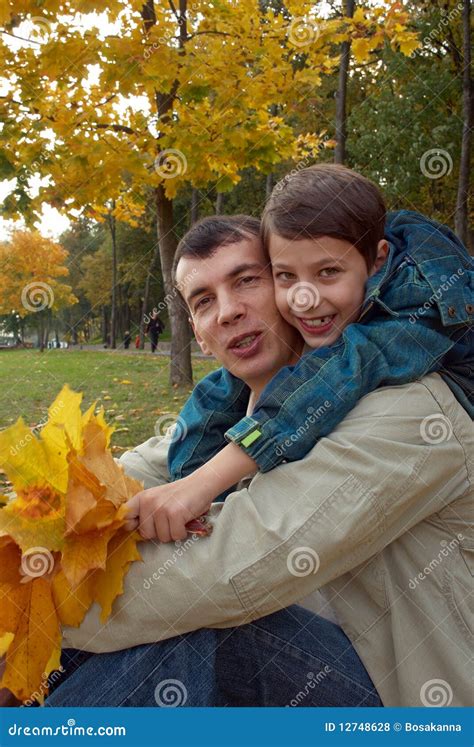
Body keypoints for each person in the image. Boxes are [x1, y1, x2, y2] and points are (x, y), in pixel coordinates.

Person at [45, 214, 472, 708]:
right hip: (304, 679)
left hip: (414, 707)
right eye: (204, 301)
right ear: (200, 337)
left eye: (247, 280)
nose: (228, 311)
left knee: (205, 625)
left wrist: (31, 612)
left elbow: (230, 568)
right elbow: (123, 478)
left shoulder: (411, 409)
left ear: (291, 289)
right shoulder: (224, 418)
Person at [126, 165, 473, 541]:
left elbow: (335, 377)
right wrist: (184, 494)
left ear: (376, 262)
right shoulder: (242, 382)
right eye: (286, 275)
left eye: (246, 280)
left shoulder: (414, 320)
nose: (303, 297)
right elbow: (198, 422)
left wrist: (202, 485)